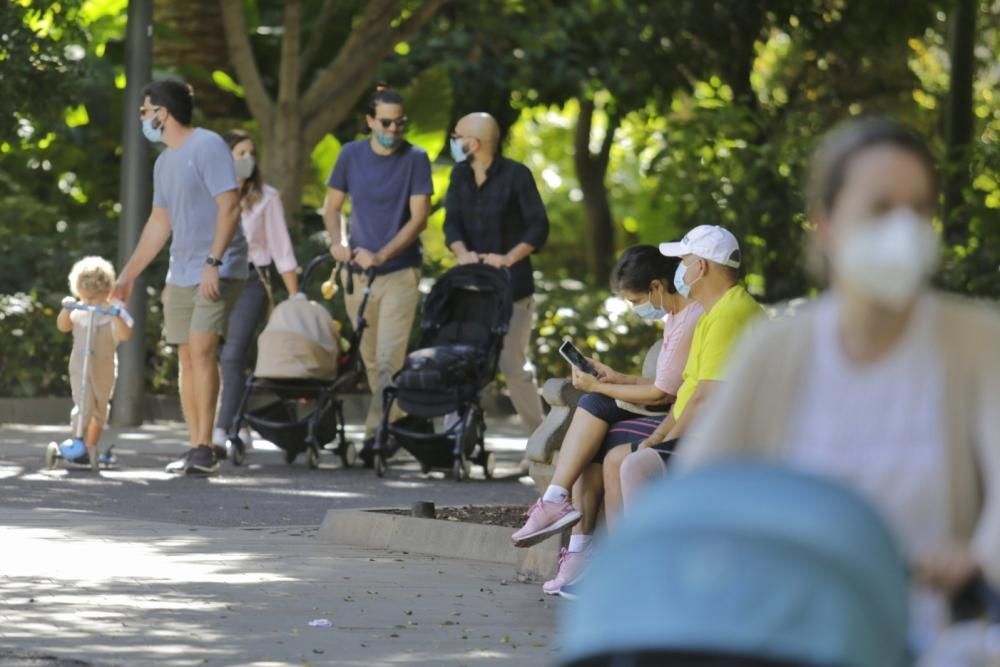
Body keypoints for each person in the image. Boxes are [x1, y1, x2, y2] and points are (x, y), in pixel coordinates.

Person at [673, 117, 1000, 653]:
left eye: (918, 210)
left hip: (934, 641)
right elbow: (700, 497)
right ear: (824, 225)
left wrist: (977, 559)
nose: (903, 228)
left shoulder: (979, 344)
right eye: (879, 208)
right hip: (788, 636)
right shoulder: (775, 353)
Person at [509, 245, 704, 594]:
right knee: (595, 412)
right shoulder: (674, 318)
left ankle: (562, 511)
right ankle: (576, 542)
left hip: (680, 416)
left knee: (596, 405)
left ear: (657, 288)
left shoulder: (692, 318)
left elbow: (665, 394)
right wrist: (618, 378)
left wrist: (600, 385)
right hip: (667, 403)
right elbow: (666, 382)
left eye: (634, 300)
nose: (635, 309)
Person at [113, 78, 246, 476]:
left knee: (203, 349)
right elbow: (160, 222)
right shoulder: (164, 161)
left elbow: (231, 205)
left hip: (217, 266)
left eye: (145, 111)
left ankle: (207, 447)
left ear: (162, 113)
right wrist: (128, 275)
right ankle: (195, 446)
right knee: (187, 356)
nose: (143, 118)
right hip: (183, 270)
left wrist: (213, 261)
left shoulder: (207, 146)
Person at [604, 225, 761, 518]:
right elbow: (688, 391)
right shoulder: (713, 313)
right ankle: (628, 560)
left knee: (636, 466)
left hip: (723, 440)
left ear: (700, 267)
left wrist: (663, 445)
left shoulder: (727, 316)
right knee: (632, 459)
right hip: (705, 432)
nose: (678, 269)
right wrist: (658, 437)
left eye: (683, 261)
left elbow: (703, 397)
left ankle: (644, 561)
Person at [323, 85, 433, 450]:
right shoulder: (350, 155)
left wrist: (382, 255)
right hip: (357, 275)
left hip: (399, 271)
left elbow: (419, 219)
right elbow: (333, 207)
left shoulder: (415, 158)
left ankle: (376, 435)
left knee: (389, 358)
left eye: (400, 123)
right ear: (370, 121)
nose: (393, 130)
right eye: (385, 123)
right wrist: (338, 243)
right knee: (370, 360)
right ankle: (399, 425)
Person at [444, 112, 549, 437]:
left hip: (512, 289)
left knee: (512, 366)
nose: (454, 141)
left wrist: (506, 259)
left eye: (457, 135)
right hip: (471, 288)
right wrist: (463, 254)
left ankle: (543, 443)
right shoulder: (459, 175)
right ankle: (453, 438)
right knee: (460, 361)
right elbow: (451, 224)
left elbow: (538, 226)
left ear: (473, 143)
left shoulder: (517, 175)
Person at [212, 129, 300, 450]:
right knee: (213, 354)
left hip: (252, 280)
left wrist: (293, 298)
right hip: (213, 280)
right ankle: (239, 421)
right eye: (240, 154)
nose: (248, 160)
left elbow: (282, 249)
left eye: (252, 153)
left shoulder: (267, 197)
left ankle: (221, 430)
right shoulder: (211, 195)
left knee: (234, 354)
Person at [56, 256, 134, 462]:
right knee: (84, 404)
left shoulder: (112, 311)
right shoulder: (79, 310)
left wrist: (117, 315)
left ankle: (90, 446)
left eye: (95, 299)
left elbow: (126, 335)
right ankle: (77, 441)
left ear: (106, 292)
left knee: (100, 407)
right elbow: (63, 326)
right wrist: (67, 309)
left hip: (104, 367)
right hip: (80, 366)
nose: (90, 303)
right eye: (86, 298)